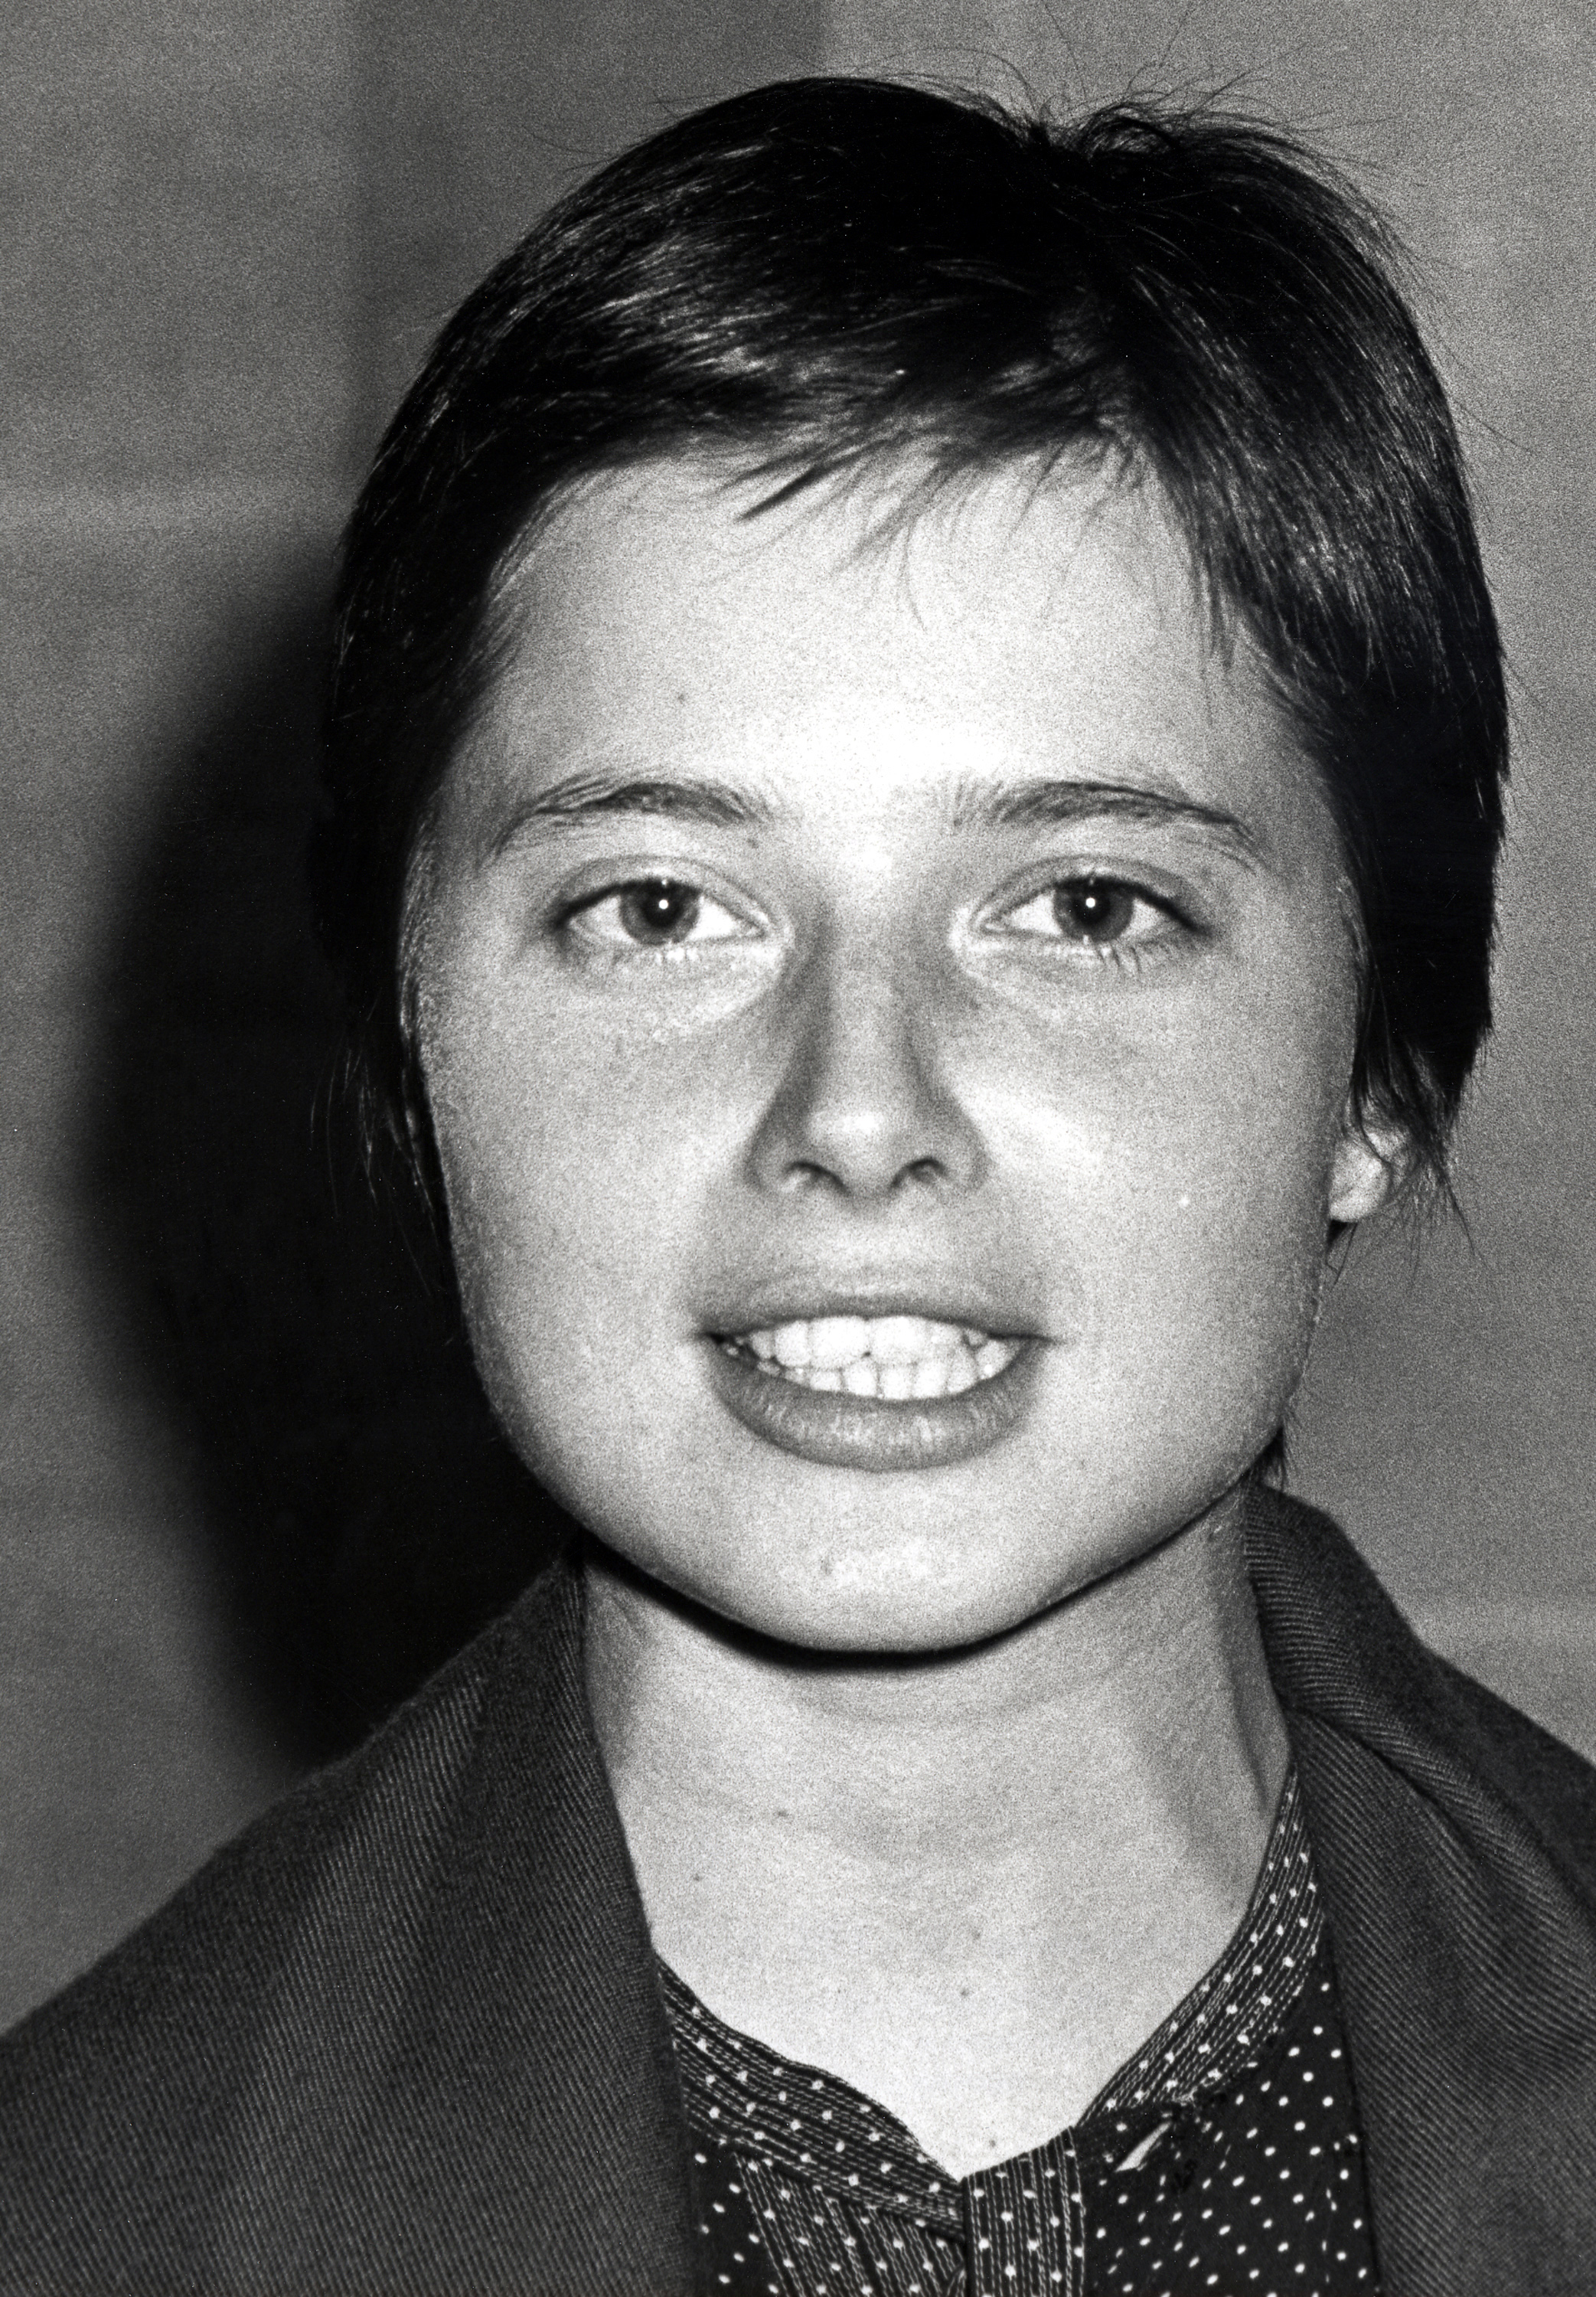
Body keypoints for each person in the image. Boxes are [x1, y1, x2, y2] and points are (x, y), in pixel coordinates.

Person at [2, 72, 1592, 2297]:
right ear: (410, 1047)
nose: (858, 1109)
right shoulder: (91, 2215)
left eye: (1085, 908)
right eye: (661, 910)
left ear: (1387, 1065)